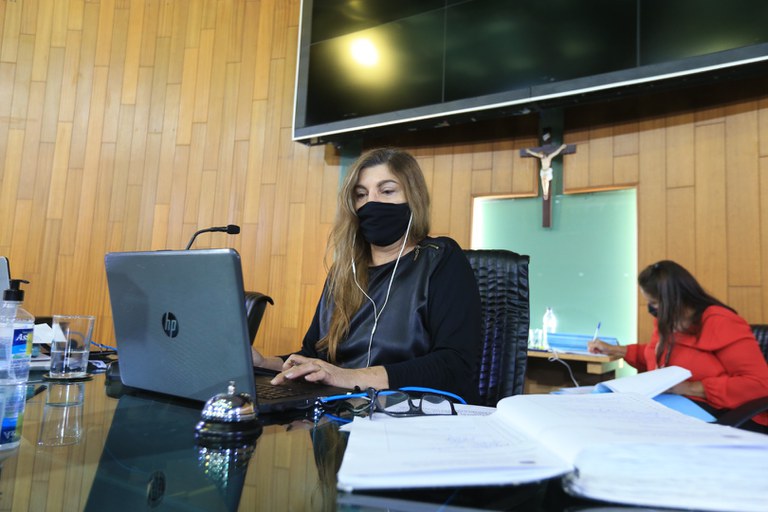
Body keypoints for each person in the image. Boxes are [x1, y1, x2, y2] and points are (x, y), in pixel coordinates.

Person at [251, 148, 482, 403]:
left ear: (414, 197)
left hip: (413, 414)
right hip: (342, 410)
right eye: (361, 195)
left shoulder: (441, 259)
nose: (371, 202)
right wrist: (264, 363)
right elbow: (314, 356)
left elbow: (454, 364)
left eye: (387, 191)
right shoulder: (343, 272)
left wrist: (348, 377)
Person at [588, 260, 768, 432]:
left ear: (672, 300)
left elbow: (759, 383)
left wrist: (691, 388)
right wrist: (616, 350)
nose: (651, 309)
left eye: (654, 303)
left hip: (724, 412)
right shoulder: (667, 320)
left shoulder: (721, 322)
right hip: (674, 403)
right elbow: (655, 354)